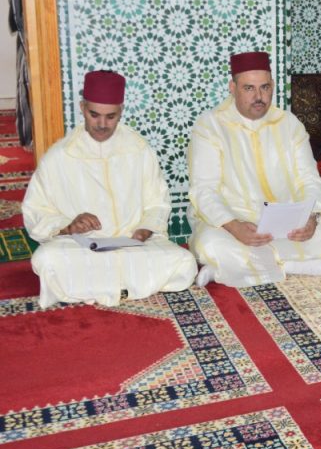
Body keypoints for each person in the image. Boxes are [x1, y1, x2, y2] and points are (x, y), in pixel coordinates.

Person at [188, 52, 321, 287]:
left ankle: (235, 269)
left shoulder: (289, 124)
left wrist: (310, 218)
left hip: (287, 224)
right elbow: (204, 189)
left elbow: (309, 179)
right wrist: (234, 227)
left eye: (265, 87)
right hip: (238, 221)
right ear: (232, 87)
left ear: (272, 86)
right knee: (210, 243)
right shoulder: (210, 126)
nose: (259, 97)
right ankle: (306, 266)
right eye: (249, 88)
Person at [23, 70, 197, 308]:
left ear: (121, 111)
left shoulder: (139, 150)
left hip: (133, 245)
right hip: (82, 247)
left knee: (184, 262)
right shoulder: (59, 156)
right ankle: (128, 286)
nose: (102, 125)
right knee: (46, 259)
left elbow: (158, 202)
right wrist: (69, 225)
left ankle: (95, 287)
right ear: (83, 108)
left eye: (111, 116)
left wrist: (145, 229)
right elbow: (36, 211)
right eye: (94, 115)